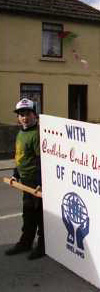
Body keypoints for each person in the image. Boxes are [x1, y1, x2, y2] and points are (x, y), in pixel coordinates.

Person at [5, 98, 44, 260]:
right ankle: (25, 242)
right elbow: (19, 157)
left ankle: (43, 246)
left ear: (35, 115)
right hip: (25, 182)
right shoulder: (21, 132)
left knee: (40, 214)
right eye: (21, 114)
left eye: (27, 114)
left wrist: (41, 183)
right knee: (28, 213)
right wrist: (16, 173)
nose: (24, 118)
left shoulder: (37, 134)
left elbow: (40, 160)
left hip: (36, 183)